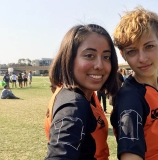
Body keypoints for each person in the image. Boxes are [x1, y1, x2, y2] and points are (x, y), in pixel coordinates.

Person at [110, 6, 158, 160]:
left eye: (149, 46)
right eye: (132, 51)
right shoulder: (130, 99)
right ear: (123, 54)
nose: (142, 58)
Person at [44, 24, 119, 160]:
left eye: (106, 57)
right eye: (89, 55)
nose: (100, 65)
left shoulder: (88, 94)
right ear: (69, 59)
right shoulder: (74, 104)